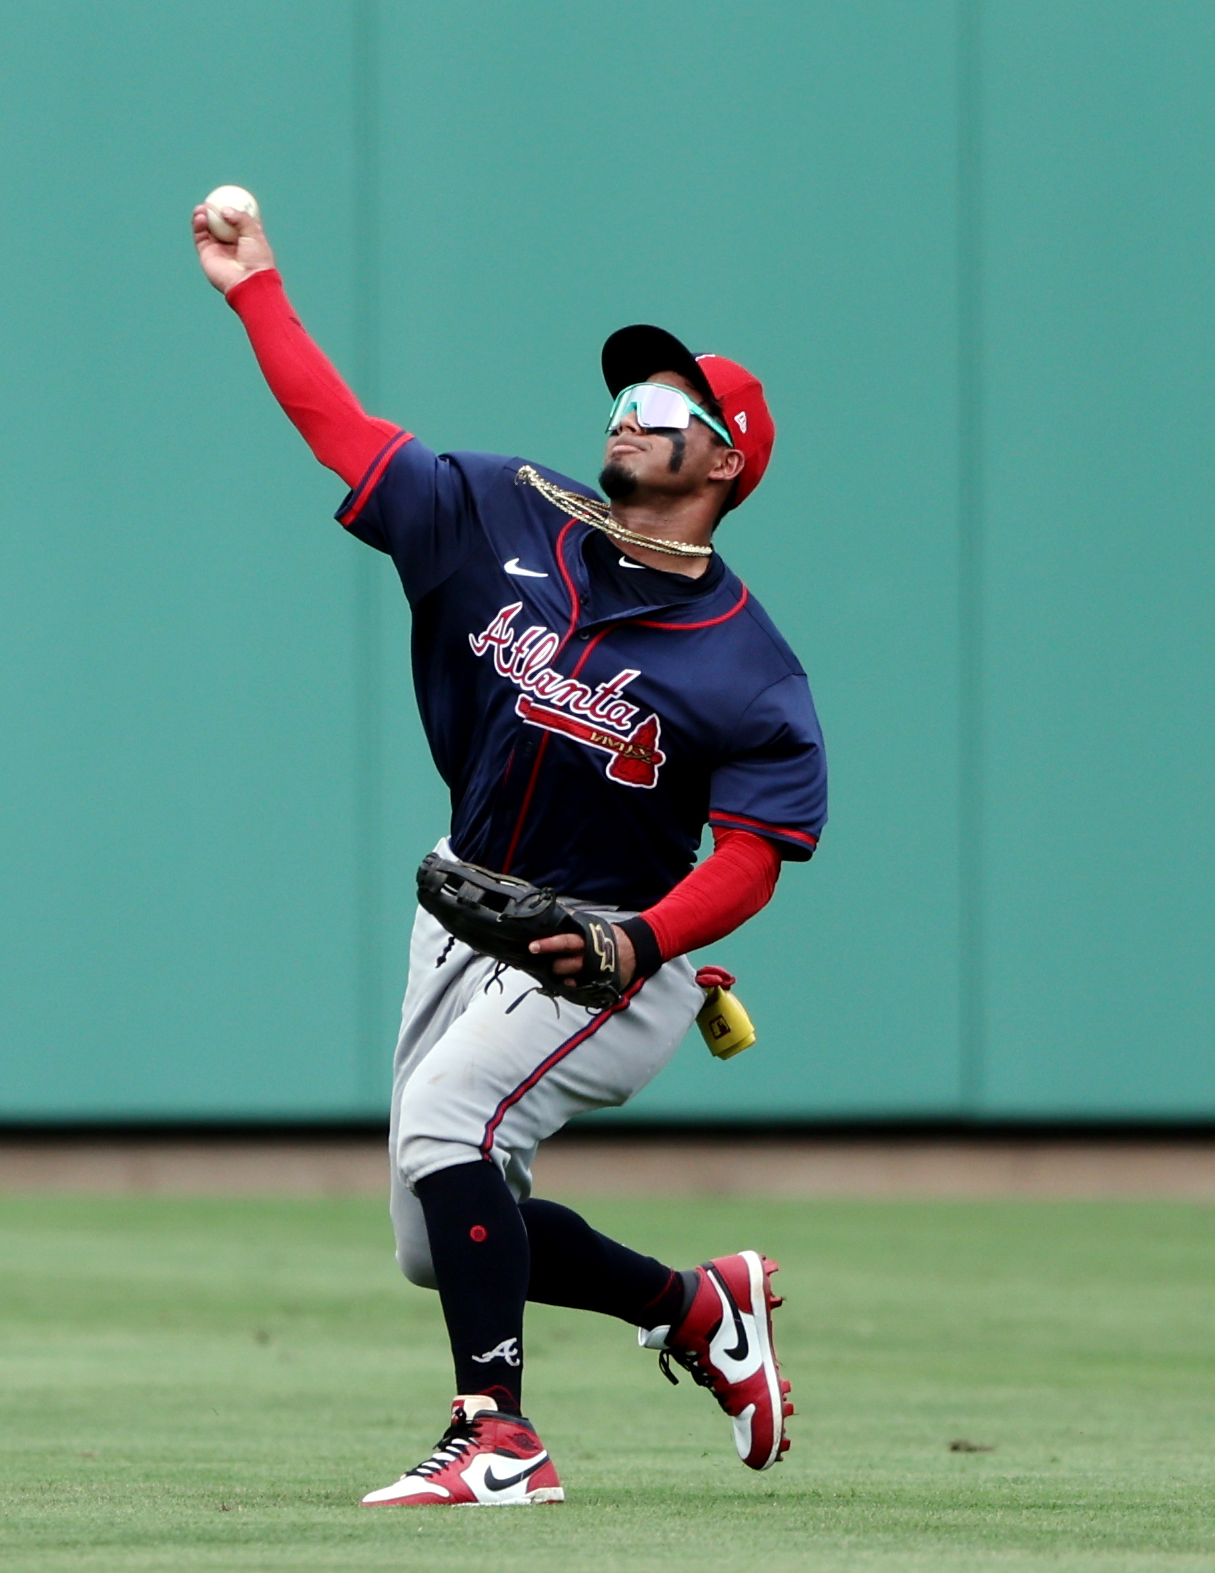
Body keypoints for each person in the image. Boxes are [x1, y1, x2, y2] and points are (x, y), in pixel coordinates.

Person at [192, 199, 827, 1507]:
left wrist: (647, 943)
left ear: (725, 463)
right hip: (471, 901)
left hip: (618, 953)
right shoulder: (503, 511)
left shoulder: (751, 671)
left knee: (444, 1123)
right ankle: (699, 1307)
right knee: (440, 1236)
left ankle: (501, 1434)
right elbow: (347, 435)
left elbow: (757, 854)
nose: (632, 409)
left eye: (668, 402)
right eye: (633, 389)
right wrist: (258, 290)